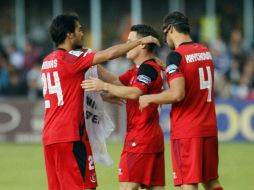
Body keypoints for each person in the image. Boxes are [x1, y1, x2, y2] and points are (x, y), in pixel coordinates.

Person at [41, 13, 159, 190]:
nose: (82, 34)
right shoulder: (70, 59)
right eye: (79, 30)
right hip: (70, 135)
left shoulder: (47, 61)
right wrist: (138, 42)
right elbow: (110, 54)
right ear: (69, 35)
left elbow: (68, 92)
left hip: (50, 136)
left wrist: (104, 95)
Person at [139, 12, 223, 190]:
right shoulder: (204, 51)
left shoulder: (176, 56)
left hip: (187, 130)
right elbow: (194, 78)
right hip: (208, 127)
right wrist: (168, 67)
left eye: (164, 33)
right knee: (211, 182)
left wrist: (149, 98)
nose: (165, 39)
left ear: (170, 28)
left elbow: (177, 94)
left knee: (188, 184)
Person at [82, 24, 165, 190]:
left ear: (142, 44)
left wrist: (103, 87)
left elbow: (135, 92)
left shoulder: (147, 69)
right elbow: (116, 81)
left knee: (126, 187)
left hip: (140, 138)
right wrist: (92, 63)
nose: (126, 45)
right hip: (151, 137)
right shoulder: (138, 70)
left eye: (130, 41)